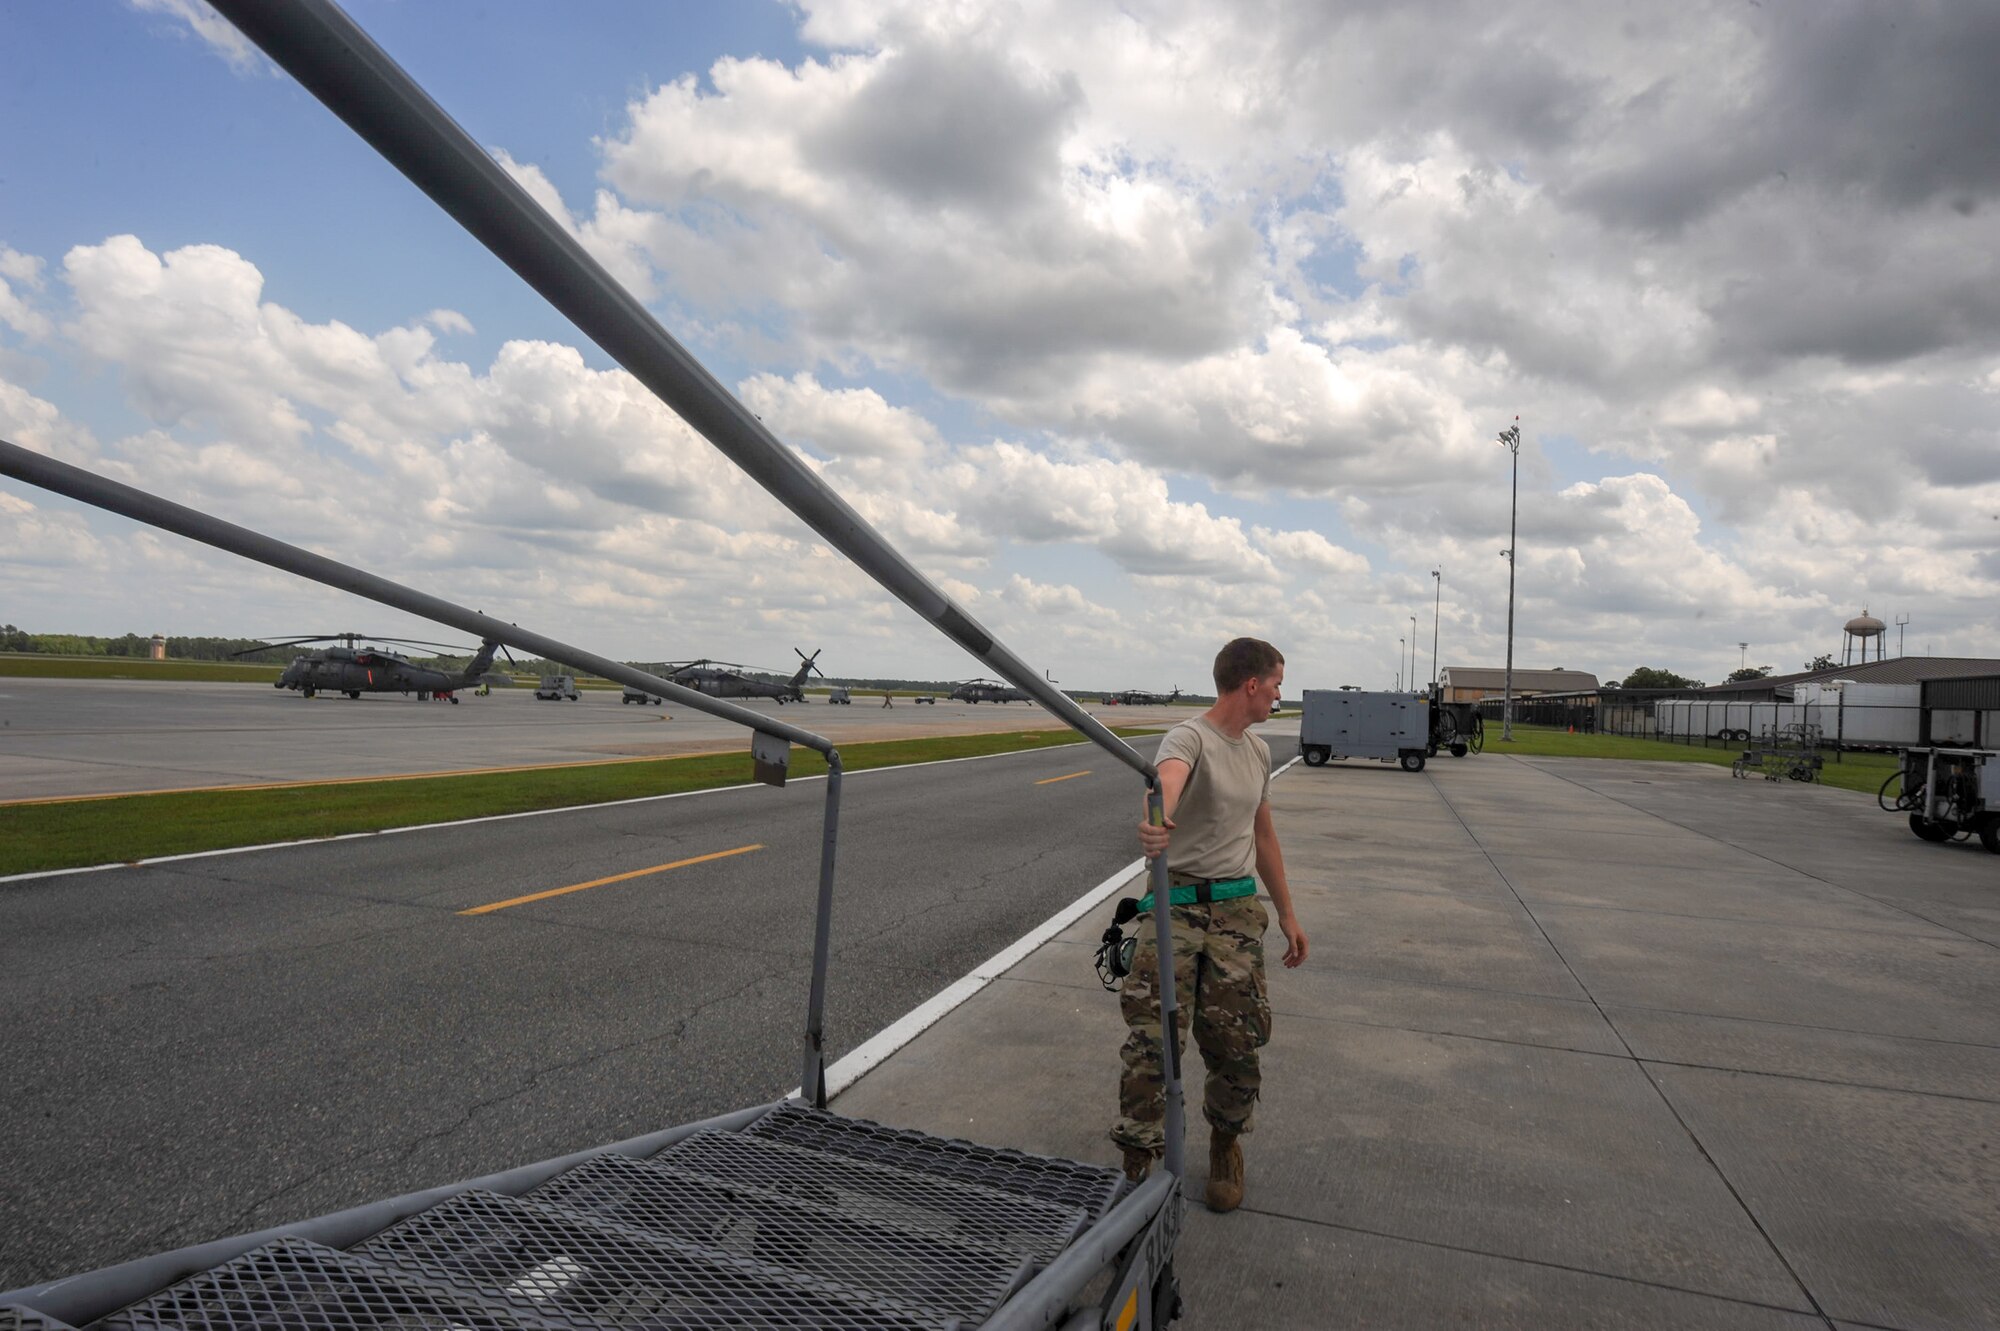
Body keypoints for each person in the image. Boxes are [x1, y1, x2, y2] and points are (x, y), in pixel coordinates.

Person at [1111, 636, 1308, 1212]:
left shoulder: (1256, 750)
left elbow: (1263, 835)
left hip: (1237, 910)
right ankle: (1137, 1163)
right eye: (1276, 684)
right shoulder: (1188, 737)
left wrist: (1289, 914)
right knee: (1154, 1041)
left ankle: (1226, 1144)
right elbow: (1168, 778)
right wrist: (1159, 817)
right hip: (1175, 907)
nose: (1278, 694)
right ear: (1252, 685)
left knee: (1236, 1041)